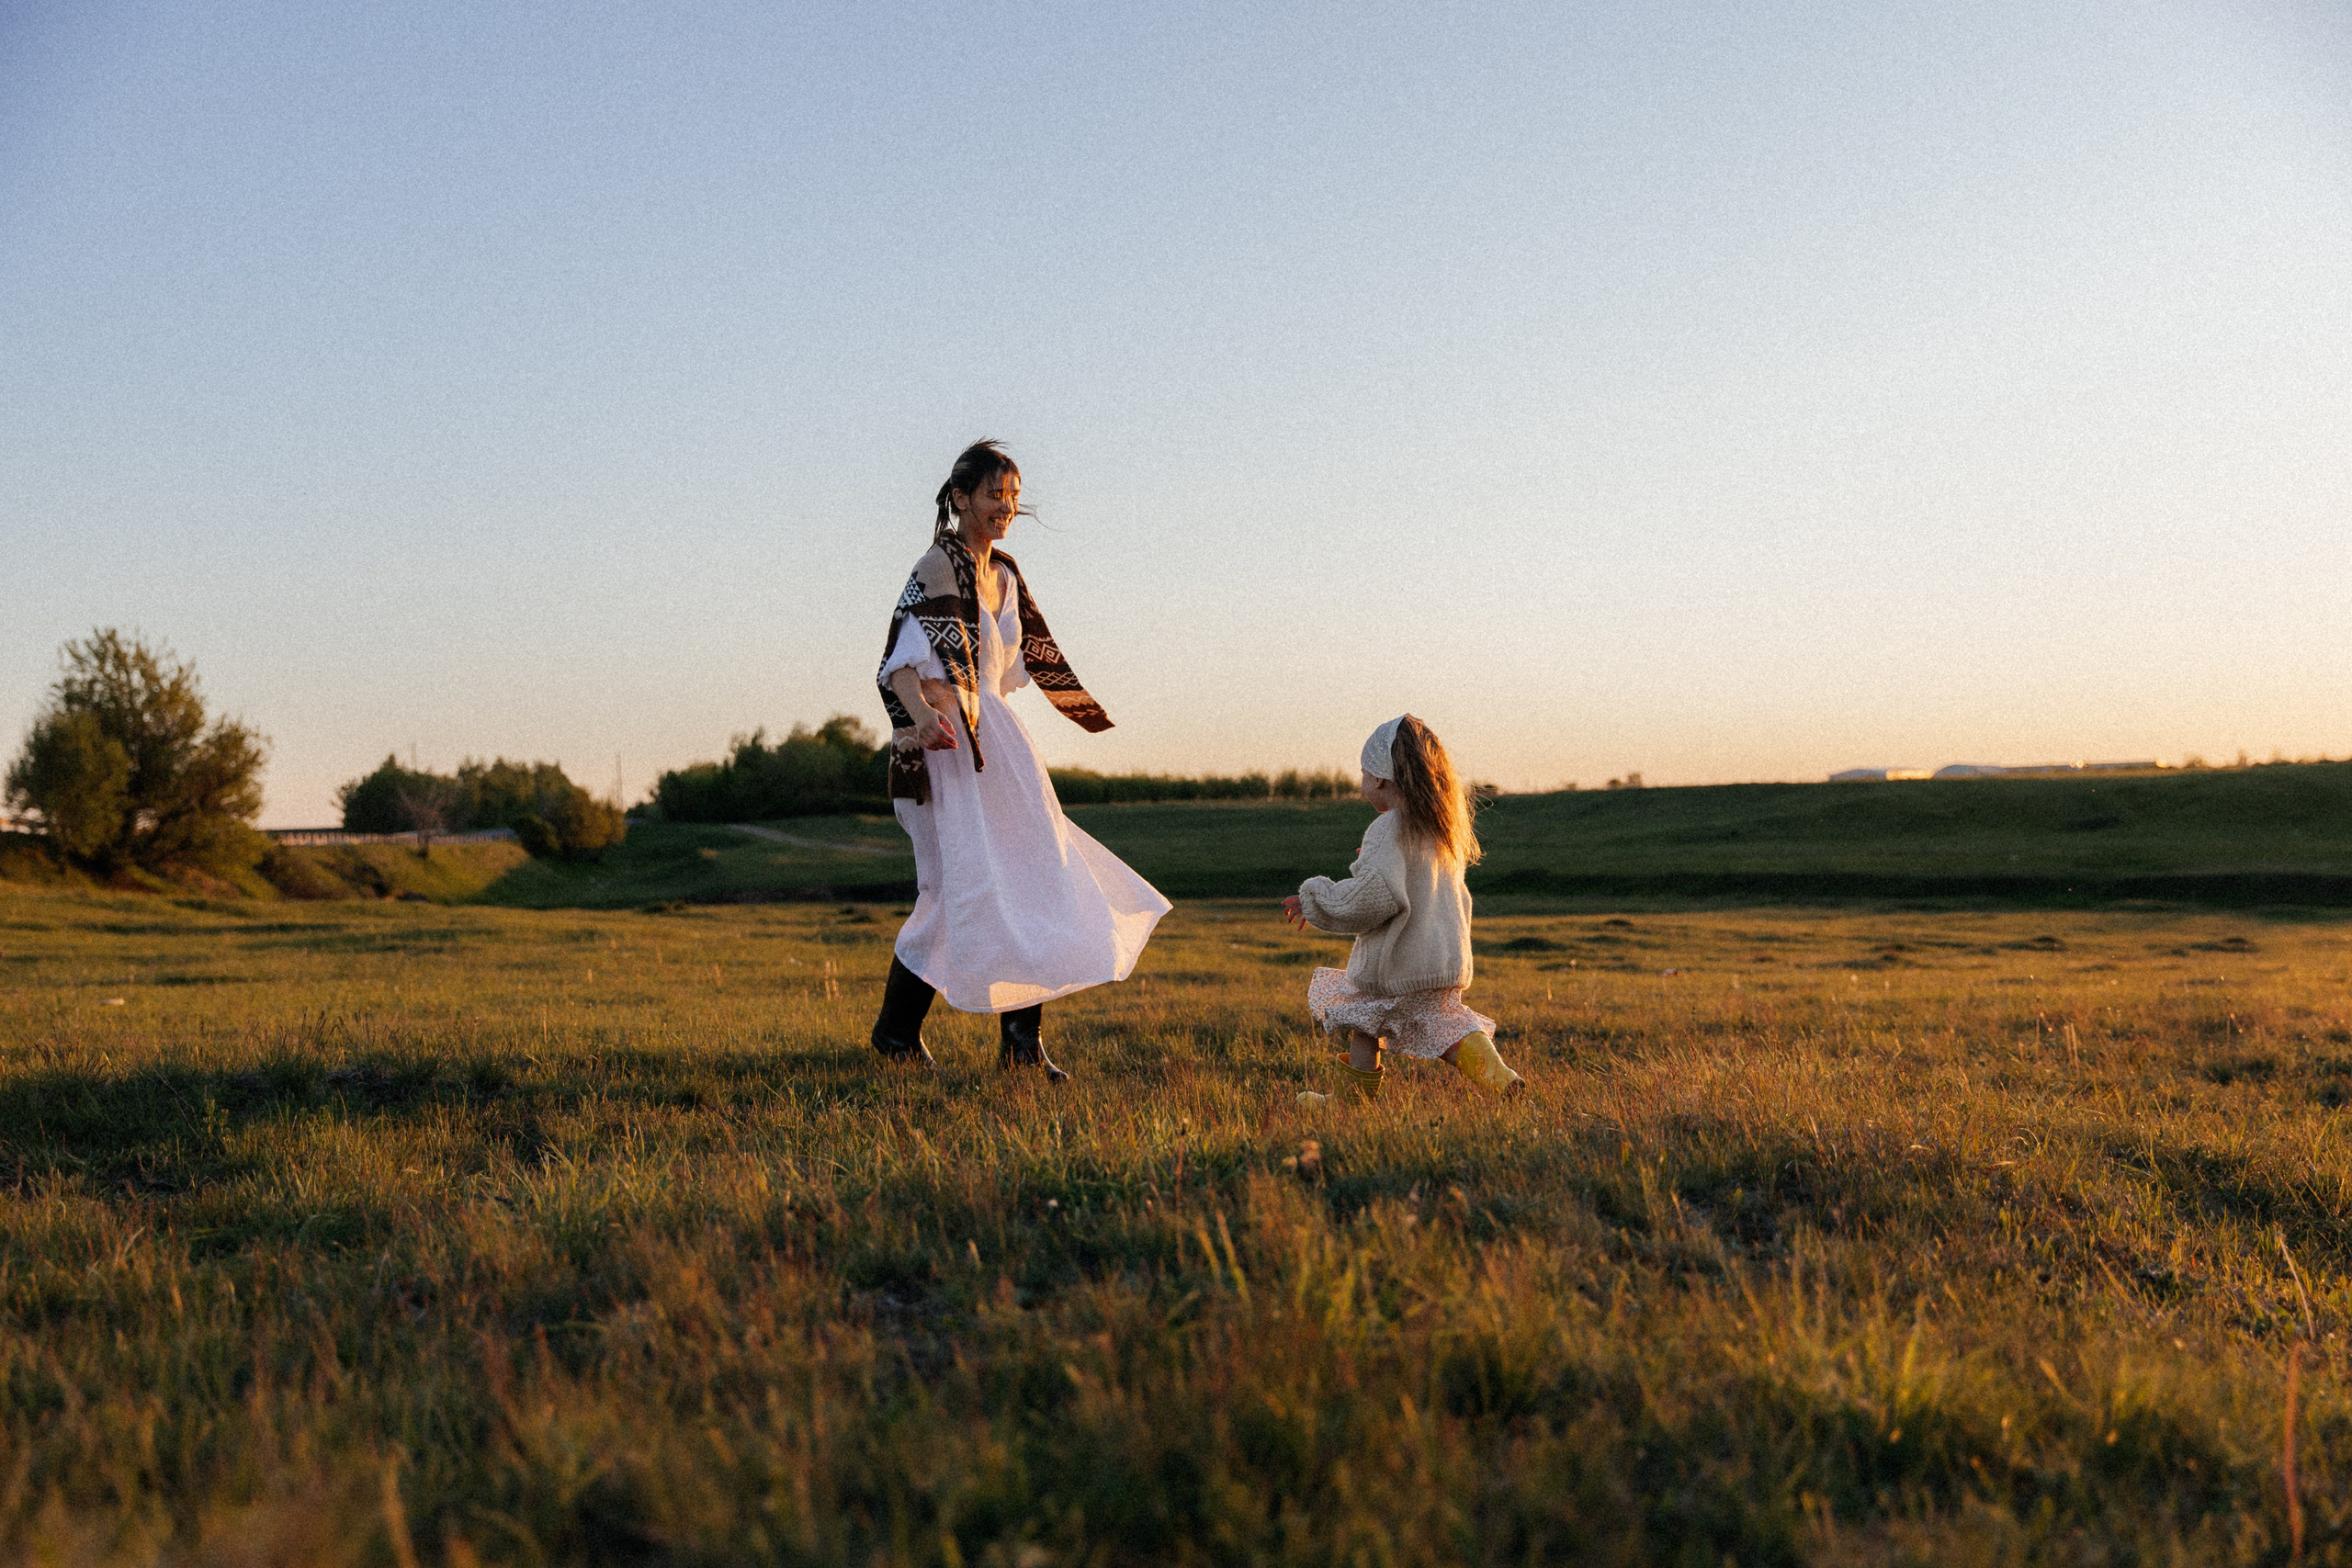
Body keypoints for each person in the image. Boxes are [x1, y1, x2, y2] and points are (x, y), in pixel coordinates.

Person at [868, 440, 1170, 1078]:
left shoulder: (1003, 575)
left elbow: (1011, 668)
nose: (1005, 507)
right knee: (956, 887)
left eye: (1012, 496)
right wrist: (924, 723)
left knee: (1033, 872)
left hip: (997, 740)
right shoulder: (936, 567)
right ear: (961, 498)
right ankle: (896, 1033)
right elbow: (899, 667)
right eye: (992, 495)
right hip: (949, 745)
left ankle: (1021, 1045)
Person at [1283, 715, 1524, 1102]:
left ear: (1378, 777)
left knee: (1363, 1019)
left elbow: (1373, 897)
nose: (1362, 785)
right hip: (1442, 963)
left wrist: (1317, 898)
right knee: (1447, 1029)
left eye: (1362, 774)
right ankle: (1499, 1078)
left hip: (1398, 965)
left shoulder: (1388, 826)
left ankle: (1350, 1103)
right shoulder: (1440, 827)